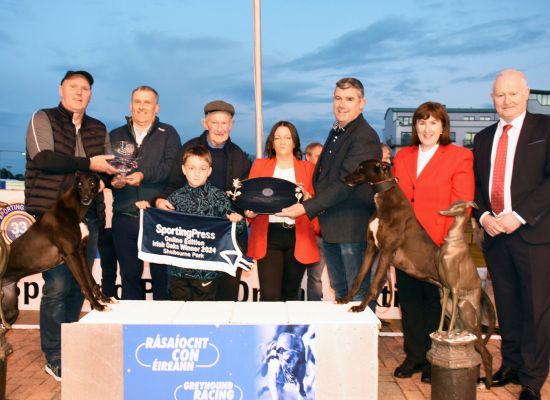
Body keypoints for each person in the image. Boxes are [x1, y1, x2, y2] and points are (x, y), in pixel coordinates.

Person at [24, 70, 118, 381]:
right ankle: (54, 355)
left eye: (86, 89)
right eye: (73, 87)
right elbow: (44, 159)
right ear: (61, 89)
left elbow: (102, 171)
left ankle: (70, 346)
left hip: (87, 218)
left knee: (80, 286)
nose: (79, 93)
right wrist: (90, 164)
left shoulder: (97, 127)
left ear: (91, 94)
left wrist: (111, 178)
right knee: (57, 286)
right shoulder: (43, 117)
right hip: (52, 216)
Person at [473, 69, 550, 400]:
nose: (506, 101)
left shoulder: (545, 128)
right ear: (492, 98)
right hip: (495, 237)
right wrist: (483, 215)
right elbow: (477, 187)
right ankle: (512, 365)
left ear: (526, 93)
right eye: (499, 95)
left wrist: (518, 216)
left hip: (533, 234)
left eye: (512, 94)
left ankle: (532, 380)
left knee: (536, 310)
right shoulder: (483, 137)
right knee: (507, 306)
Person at [277, 77, 381, 305]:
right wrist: (312, 196)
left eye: (349, 99)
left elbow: (346, 183)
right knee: (342, 293)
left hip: (353, 230)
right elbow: (326, 176)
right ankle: (347, 342)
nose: (341, 104)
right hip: (333, 227)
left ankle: (360, 342)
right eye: (337, 98)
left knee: (358, 296)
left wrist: (306, 207)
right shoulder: (339, 129)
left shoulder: (364, 136)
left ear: (362, 103)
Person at [392, 101, 474, 383]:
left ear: (443, 127)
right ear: (415, 127)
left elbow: (462, 204)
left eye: (433, 123)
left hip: (438, 244)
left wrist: (446, 244)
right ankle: (413, 356)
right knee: (411, 301)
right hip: (405, 246)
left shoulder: (459, 156)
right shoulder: (402, 156)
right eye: (422, 122)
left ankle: (432, 359)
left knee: (435, 304)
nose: (427, 128)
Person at [156, 100, 251, 301]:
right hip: (194, 245)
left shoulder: (239, 156)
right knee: (190, 299)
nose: (219, 128)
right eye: (214, 122)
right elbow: (172, 183)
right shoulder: (189, 149)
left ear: (231, 124)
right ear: (204, 123)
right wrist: (160, 200)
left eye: (224, 123)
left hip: (228, 241)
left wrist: (246, 213)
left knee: (227, 296)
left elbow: (245, 197)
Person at [138, 145, 245, 300]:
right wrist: (146, 209)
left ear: (209, 171)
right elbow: (160, 224)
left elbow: (237, 228)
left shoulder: (219, 198)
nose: (196, 173)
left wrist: (237, 220)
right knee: (180, 316)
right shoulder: (175, 198)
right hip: (178, 273)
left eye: (202, 169)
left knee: (203, 319)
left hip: (207, 272)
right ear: (183, 169)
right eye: (192, 168)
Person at [110, 85, 181, 300]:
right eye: (138, 102)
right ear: (131, 106)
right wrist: (114, 181)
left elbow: (172, 169)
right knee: (129, 277)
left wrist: (142, 175)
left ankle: (163, 329)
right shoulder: (115, 135)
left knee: (162, 278)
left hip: (157, 217)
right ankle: (133, 329)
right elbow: (107, 170)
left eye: (147, 102)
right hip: (125, 215)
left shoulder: (168, 133)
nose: (142, 107)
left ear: (156, 107)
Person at [246, 121, 320, 301]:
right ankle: (269, 330)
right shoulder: (260, 165)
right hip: (268, 236)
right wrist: (250, 212)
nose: (282, 141)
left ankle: (288, 330)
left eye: (287, 137)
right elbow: (250, 199)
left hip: (298, 236)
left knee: (290, 294)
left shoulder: (308, 168)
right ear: (271, 142)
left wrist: (307, 197)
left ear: (295, 142)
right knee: (270, 296)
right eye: (277, 137)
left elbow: (317, 202)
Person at [304, 142, 324, 301]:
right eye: (318, 156)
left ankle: (315, 311)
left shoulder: (326, 180)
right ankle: (294, 313)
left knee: (315, 278)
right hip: (302, 235)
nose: (322, 159)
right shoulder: (299, 179)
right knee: (294, 280)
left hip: (320, 236)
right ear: (307, 156)